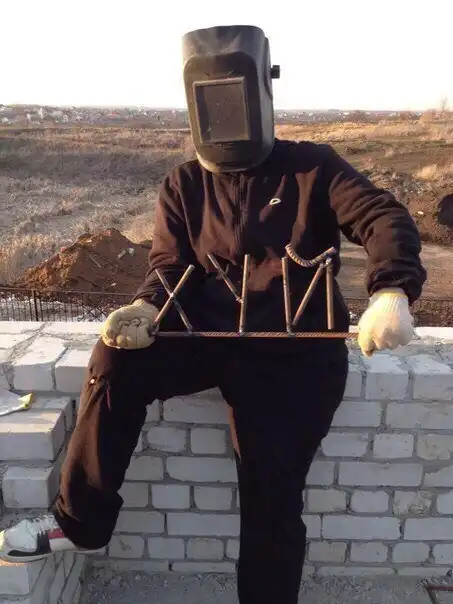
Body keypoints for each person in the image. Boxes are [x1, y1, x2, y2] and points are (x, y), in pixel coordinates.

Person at [0, 24, 426, 604]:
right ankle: (80, 524)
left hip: (293, 355)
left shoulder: (312, 169)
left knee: (270, 496)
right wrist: (146, 305)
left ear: (261, 92)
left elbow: (382, 216)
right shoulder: (184, 183)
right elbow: (168, 265)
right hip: (206, 335)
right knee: (115, 362)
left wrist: (392, 289)